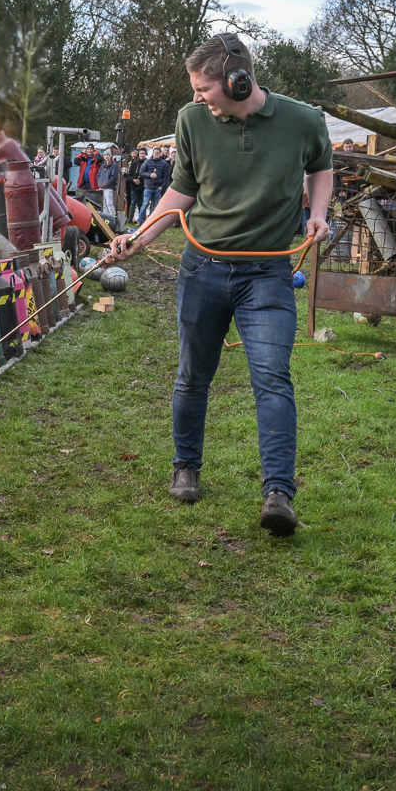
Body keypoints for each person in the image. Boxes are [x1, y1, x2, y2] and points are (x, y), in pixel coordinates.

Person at [108, 34, 332, 536]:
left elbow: (321, 167)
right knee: (193, 375)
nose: (196, 98)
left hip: (268, 273)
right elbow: (181, 190)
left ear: (239, 81)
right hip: (202, 269)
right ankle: (185, 466)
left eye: (204, 88)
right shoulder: (192, 122)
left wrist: (318, 214)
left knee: (272, 378)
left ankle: (279, 493)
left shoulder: (302, 120)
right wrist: (140, 237)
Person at [136, 150, 171, 223]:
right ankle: (140, 221)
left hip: (158, 188)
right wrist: (150, 175)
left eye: (158, 153)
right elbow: (141, 172)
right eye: (155, 153)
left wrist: (162, 186)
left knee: (155, 207)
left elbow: (166, 176)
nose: (157, 154)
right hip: (148, 187)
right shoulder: (147, 162)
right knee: (145, 205)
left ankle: (151, 222)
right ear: (153, 153)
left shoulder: (164, 163)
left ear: (160, 153)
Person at [124, 148, 145, 221]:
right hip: (134, 186)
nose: (142, 155)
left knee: (141, 203)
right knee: (133, 202)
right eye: (141, 153)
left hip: (143, 186)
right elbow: (129, 175)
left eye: (143, 153)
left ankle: (141, 219)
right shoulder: (134, 163)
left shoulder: (147, 163)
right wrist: (133, 180)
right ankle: (129, 219)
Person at [96, 150, 117, 214]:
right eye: (105, 155)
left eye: (108, 155)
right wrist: (99, 183)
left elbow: (114, 177)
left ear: (110, 156)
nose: (106, 156)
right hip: (101, 187)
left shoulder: (114, 164)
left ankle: (113, 216)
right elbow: (99, 175)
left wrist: (106, 184)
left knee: (109, 203)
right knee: (103, 204)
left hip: (108, 187)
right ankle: (106, 217)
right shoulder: (103, 165)